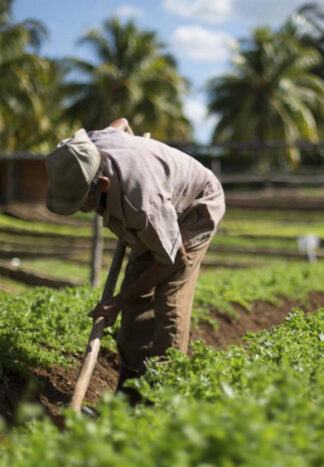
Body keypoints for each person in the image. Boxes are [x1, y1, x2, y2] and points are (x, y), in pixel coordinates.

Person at [45, 118, 225, 394]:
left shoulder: (142, 205)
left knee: (170, 300)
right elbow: (122, 124)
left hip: (195, 206)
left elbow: (176, 259)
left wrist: (117, 300)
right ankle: (129, 394)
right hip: (157, 211)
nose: (83, 210)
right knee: (135, 299)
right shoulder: (86, 149)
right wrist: (134, 142)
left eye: (83, 203)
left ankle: (164, 399)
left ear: (102, 184)